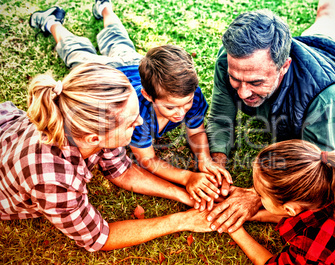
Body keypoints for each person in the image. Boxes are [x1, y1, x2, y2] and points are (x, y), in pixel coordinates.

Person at [205, 0, 335, 233]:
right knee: (325, 15)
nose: (243, 92)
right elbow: (219, 116)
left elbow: (312, 167)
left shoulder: (325, 96)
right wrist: (216, 165)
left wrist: (256, 195)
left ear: (284, 66)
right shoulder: (231, 60)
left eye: (256, 82)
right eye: (235, 79)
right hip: (315, 41)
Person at [29, 0, 232, 211]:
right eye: (171, 108)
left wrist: (204, 159)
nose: (181, 113)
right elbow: (148, 159)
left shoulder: (189, 93)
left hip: (132, 62)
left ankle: (104, 8)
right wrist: (187, 177)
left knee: (118, 39)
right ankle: (52, 22)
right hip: (105, 77)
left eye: (187, 103)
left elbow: (196, 131)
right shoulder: (136, 115)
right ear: (148, 96)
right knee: (76, 52)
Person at [0, 63, 213, 252]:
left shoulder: (89, 125)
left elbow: (122, 171)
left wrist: (183, 194)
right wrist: (182, 220)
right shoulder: (53, 181)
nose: (140, 122)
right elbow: (99, 238)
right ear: (94, 139)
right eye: (131, 123)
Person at [229, 139, 335, 265]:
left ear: (289, 209)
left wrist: (235, 230)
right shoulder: (331, 183)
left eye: (260, 195)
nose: (256, 197)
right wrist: (256, 216)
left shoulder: (315, 250)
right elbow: (300, 217)